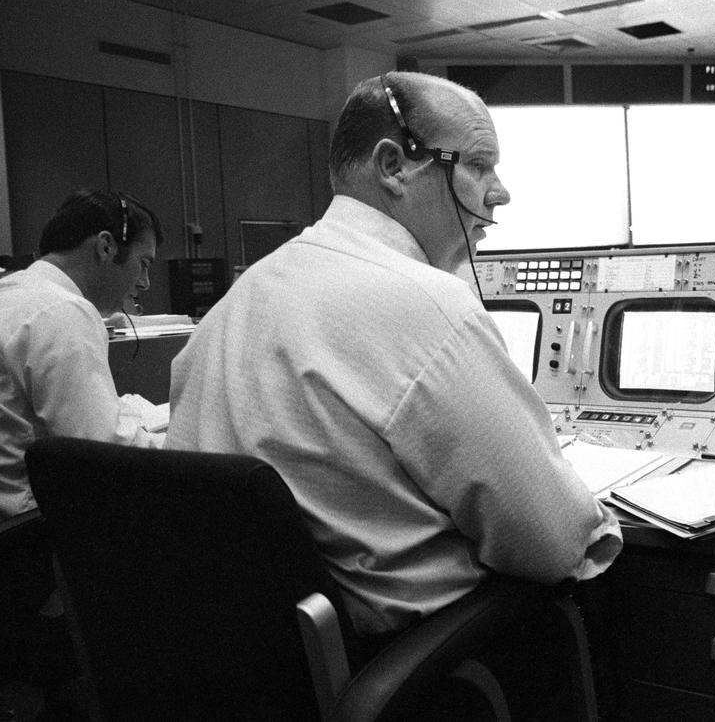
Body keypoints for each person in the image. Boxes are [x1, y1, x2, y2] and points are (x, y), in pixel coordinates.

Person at [167, 72, 622, 640]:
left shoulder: (231, 307)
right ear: (393, 166)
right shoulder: (433, 306)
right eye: (478, 165)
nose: (500, 193)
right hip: (422, 667)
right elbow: (554, 544)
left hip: (257, 668)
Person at [0, 190, 165, 520]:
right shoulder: (62, 310)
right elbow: (105, 452)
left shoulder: (14, 293)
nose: (145, 283)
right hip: (30, 530)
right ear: (106, 247)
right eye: (143, 264)